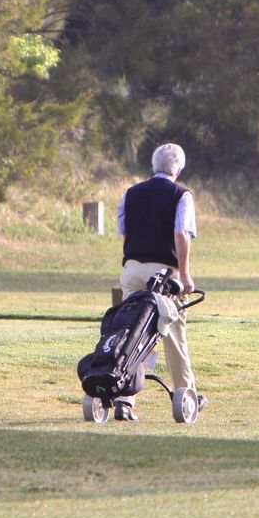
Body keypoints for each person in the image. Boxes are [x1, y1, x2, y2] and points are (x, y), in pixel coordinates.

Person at [113, 142, 202, 421]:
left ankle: (123, 396)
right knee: (174, 335)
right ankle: (186, 394)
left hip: (131, 270)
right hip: (163, 275)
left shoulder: (131, 193)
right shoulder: (181, 195)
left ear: (154, 165)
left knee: (132, 332)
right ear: (179, 168)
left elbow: (125, 233)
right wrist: (185, 274)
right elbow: (181, 235)